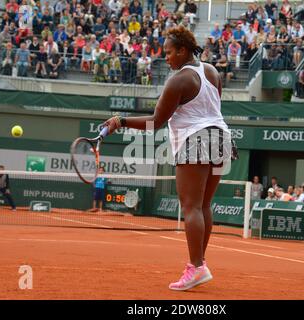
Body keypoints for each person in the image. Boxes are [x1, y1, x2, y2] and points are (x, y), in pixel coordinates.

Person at [102, 26, 232, 291]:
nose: (166, 58)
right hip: (222, 138)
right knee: (203, 206)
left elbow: (155, 123)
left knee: (191, 207)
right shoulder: (212, 71)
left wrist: (120, 120)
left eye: (169, 52)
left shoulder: (178, 80)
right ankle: (199, 263)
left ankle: (196, 267)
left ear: (183, 51)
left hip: (196, 140)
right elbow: (212, 108)